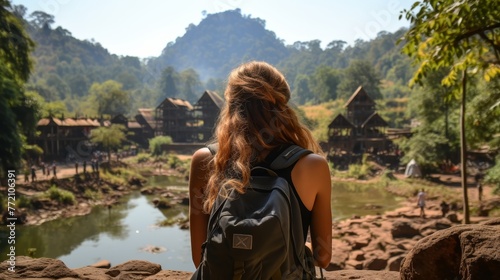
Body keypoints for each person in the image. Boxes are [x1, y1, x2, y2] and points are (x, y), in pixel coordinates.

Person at [188, 61, 332, 272]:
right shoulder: (313, 165)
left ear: (231, 106)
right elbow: (323, 257)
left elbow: (199, 258)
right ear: (283, 106)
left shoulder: (204, 160)